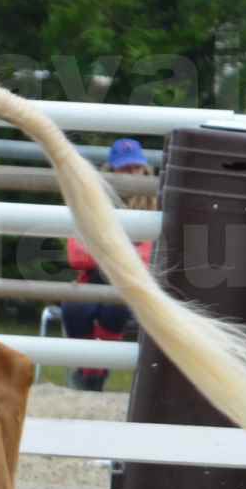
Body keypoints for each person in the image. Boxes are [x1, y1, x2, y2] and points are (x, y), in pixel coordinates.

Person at [61, 138, 157, 391]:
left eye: (134, 168)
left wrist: (103, 251)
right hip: (97, 277)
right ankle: (88, 371)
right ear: (111, 171)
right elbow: (76, 254)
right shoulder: (91, 200)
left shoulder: (155, 206)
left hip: (129, 282)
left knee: (115, 309)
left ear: (145, 170)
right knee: (74, 308)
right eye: (124, 169)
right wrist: (124, 256)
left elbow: (150, 258)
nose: (130, 174)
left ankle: (95, 374)